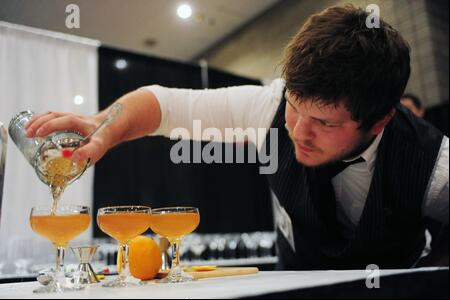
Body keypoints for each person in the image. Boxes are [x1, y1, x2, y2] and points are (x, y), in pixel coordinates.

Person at [25, 5, 448, 270]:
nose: (298, 131)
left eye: (325, 123)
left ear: (379, 122)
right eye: (294, 107)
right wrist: (102, 129)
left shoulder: (434, 167)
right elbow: (162, 104)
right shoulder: (268, 106)